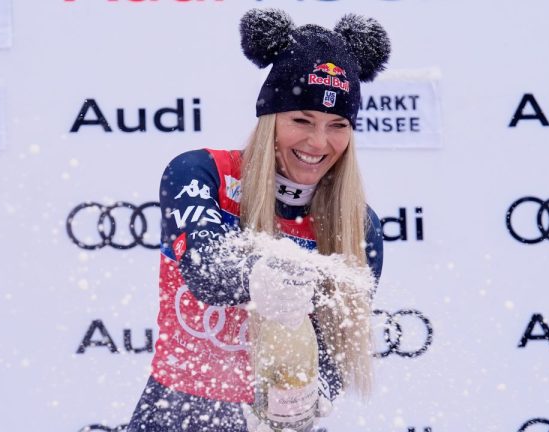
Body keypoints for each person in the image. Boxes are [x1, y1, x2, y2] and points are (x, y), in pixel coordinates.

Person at [126, 8, 390, 432]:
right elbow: (203, 267)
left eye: (337, 125)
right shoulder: (202, 173)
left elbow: (333, 353)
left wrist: (309, 398)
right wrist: (258, 276)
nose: (318, 142)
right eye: (301, 120)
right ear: (270, 121)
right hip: (174, 416)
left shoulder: (359, 225)